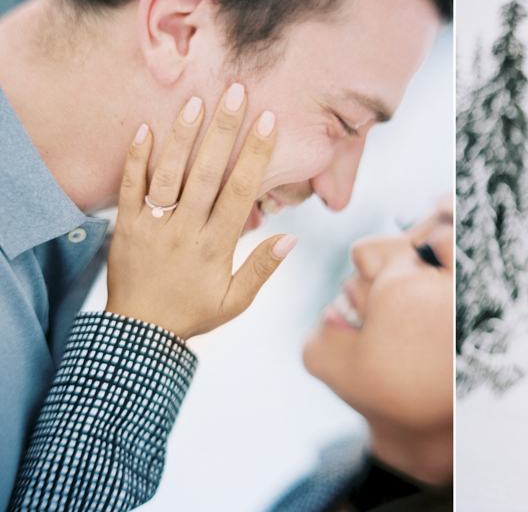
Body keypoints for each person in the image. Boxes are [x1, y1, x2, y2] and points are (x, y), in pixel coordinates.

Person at [0, 0, 451, 508]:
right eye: (345, 122)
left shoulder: (53, 254)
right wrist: (138, 342)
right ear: (177, 27)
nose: (338, 191)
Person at [11, 82, 453, 511]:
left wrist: (142, 331)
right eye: (406, 226)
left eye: (431, 255)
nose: (364, 251)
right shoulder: (335, 482)